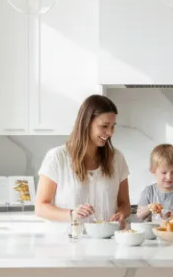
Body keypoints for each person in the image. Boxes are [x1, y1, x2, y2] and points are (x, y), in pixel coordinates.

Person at [35, 95, 130, 227]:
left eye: (113, 126)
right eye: (104, 126)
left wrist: (121, 213)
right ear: (86, 123)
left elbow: (124, 204)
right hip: (68, 242)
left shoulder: (117, 159)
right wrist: (72, 214)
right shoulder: (57, 157)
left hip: (107, 240)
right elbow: (41, 207)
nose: (109, 132)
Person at [135, 144, 173, 221]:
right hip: (152, 231)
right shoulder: (148, 191)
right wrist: (150, 207)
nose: (169, 177)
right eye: (164, 172)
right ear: (153, 170)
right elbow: (139, 216)